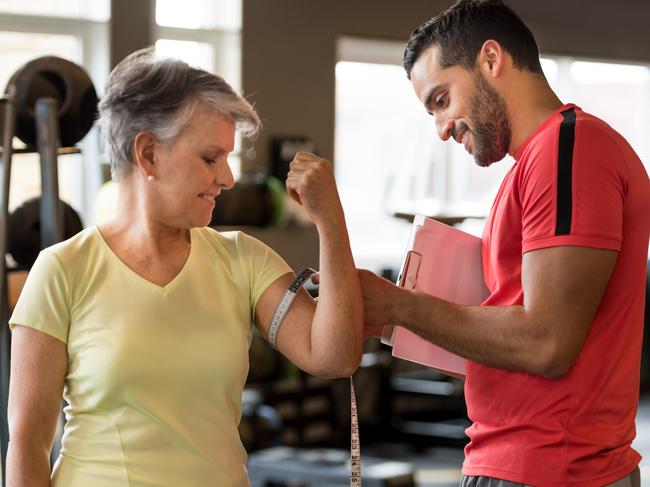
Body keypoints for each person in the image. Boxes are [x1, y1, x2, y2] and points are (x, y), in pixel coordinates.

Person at [6, 47, 363, 486]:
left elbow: (335, 356)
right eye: (211, 158)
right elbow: (28, 443)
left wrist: (331, 220)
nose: (228, 178)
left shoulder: (243, 260)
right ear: (149, 154)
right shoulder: (62, 269)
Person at [359, 1, 650, 485]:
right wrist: (396, 316)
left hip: (551, 466)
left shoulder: (571, 151)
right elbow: (517, 352)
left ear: (491, 60)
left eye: (441, 99)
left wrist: (405, 306)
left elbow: (546, 344)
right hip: (519, 458)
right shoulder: (536, 165)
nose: (442, 127)